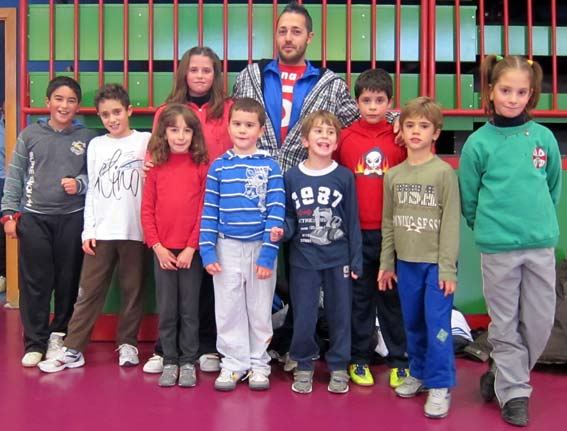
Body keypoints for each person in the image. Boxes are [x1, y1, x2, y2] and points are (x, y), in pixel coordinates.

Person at [459, 55, 561, 427]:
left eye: (521, 92)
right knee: (504, 323)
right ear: (490, 91)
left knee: (539, 321)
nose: (513, 98)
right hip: (497, 247)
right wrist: (489, 228)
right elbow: (469, 198)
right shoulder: (478, 143)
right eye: (505, 90)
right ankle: (515, 391)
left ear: (531, 94)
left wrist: (538, 224)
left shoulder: (543, 138)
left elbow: (552, 187)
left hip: (539, 243)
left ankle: (501, 370)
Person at [37, 84, 149, 373]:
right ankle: (73, 348)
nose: (112, 119)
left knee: (133, 290)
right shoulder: (97, 145)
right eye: (105, 115)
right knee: (88, 292)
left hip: (136, 231)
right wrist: (89, 231)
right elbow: (94, 192)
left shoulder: (145, 141)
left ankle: (128, 343)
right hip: (102, 232)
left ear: (129, 111)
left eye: (117, 112)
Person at [143, 46, 232, 375]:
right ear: (183, 73)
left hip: (218, 203)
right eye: (193, 69)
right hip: (175, 214)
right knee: (170, 294)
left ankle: (206, 346)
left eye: (206, 70)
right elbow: (154, 156)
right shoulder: (166, 111)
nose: (200, 76)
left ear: (216, 75)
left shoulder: (228, 108)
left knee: (207, 282)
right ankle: (165, 350)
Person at [1, 76, 96, 367]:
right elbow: (15, 175)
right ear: (47, 102)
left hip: (73, 219)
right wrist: (8, 213)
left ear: (78, 106)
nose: (64, 105)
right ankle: (35, 341)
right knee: (35, 283)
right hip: (34, 218)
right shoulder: (30, 135)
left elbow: (95, 176)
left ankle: (60, 336)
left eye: (71, 100)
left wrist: (79, 184)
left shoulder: (87, 138)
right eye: (58, 99)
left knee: (68, 282)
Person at [378, 97, 460, 419]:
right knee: (411, 323)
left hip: (436, 266)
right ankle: (419, 372)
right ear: (400, 130)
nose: (415, 131)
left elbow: (450, 223)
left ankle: (440, 384)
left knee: (437, 325)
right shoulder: (393, 176)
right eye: (409, 125)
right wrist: (387, 263)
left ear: (435, 133)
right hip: (406, 263)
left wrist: (447, 268)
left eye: (423, 126)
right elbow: (388, 222)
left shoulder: (443, 174)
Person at [271, 110, 363, 394]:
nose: (324, 136)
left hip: (338, 259)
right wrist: (283, 231)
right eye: (318, 131)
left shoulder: (344, 177)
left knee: (339, 314)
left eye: (330, 132)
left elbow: (352, 221)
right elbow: (289, 217)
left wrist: (355, 260)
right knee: (304, 315)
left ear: (337, 141)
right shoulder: (292, 177)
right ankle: (303, 363)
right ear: (305, 140)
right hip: (303, 260)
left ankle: (338, 365)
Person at [199, 97, 285, 391]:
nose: (242, 130)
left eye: (249, 125)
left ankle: (259, 363)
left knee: (259, 309)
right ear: (229, 126)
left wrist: (268, 254)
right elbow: (209, 210)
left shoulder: (270, 167)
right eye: (237, 124)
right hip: (226, 248)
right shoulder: (219, 167)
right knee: (228, 308)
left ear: (261, 130)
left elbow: (276, 211)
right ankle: (234, 363)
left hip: (260, 248)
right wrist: (207, 249)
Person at [335, 68, 409, 388]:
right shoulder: (345, 138)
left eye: (380, 100)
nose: (373, 106)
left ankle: (400, 361)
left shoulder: (399, 138)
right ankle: (359, 359)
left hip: (392, 234)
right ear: (357, 102)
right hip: (355, 233)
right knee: (360, 298)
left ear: (390, 102)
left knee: (392, 299)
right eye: (367, 100)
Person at [142, 103, 209, 387]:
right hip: (163, 252)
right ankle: (170, 359)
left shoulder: (202, 167)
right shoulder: (156, 168)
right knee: (167, 309)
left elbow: (204, 211)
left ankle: (188, 360)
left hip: (191, 253)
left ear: (195, 135)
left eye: (186, 131)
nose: (180, 136)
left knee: (189, 309)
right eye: (174, 130)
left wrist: (192, 247)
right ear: (164, 133)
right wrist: (157, 247)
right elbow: (147, 211)